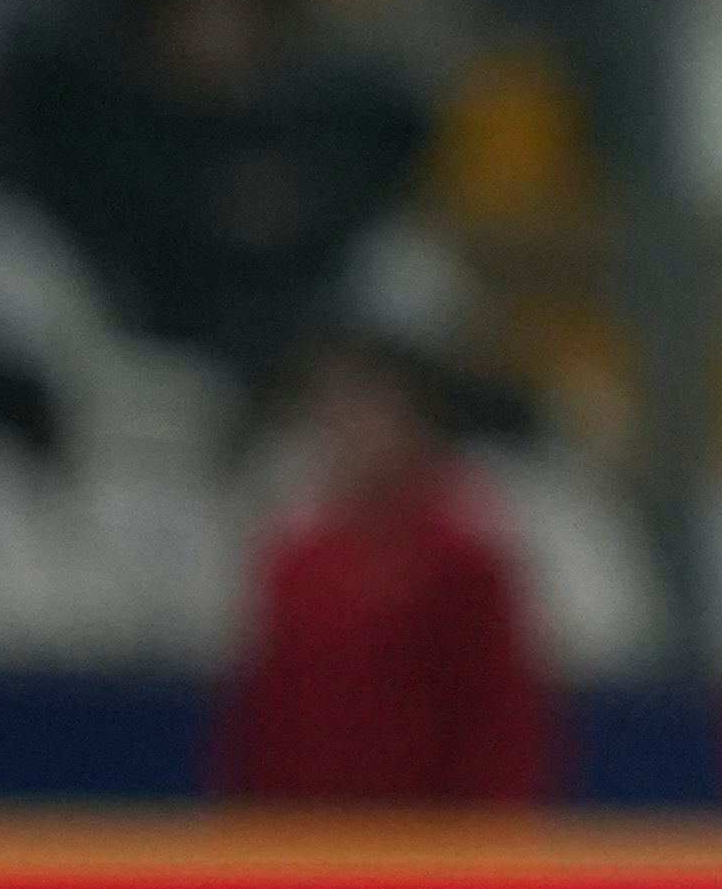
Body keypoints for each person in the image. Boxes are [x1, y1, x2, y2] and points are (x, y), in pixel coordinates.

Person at [217, 336, 551, 804]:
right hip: (306, 837)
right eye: (334, 416)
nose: (350, 434)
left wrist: (489, 841)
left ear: (416, 428)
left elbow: (497, 721)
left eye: (369, 415)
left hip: (431, 843)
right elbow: (270, 713)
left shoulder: (462, 562)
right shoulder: (297, 562)